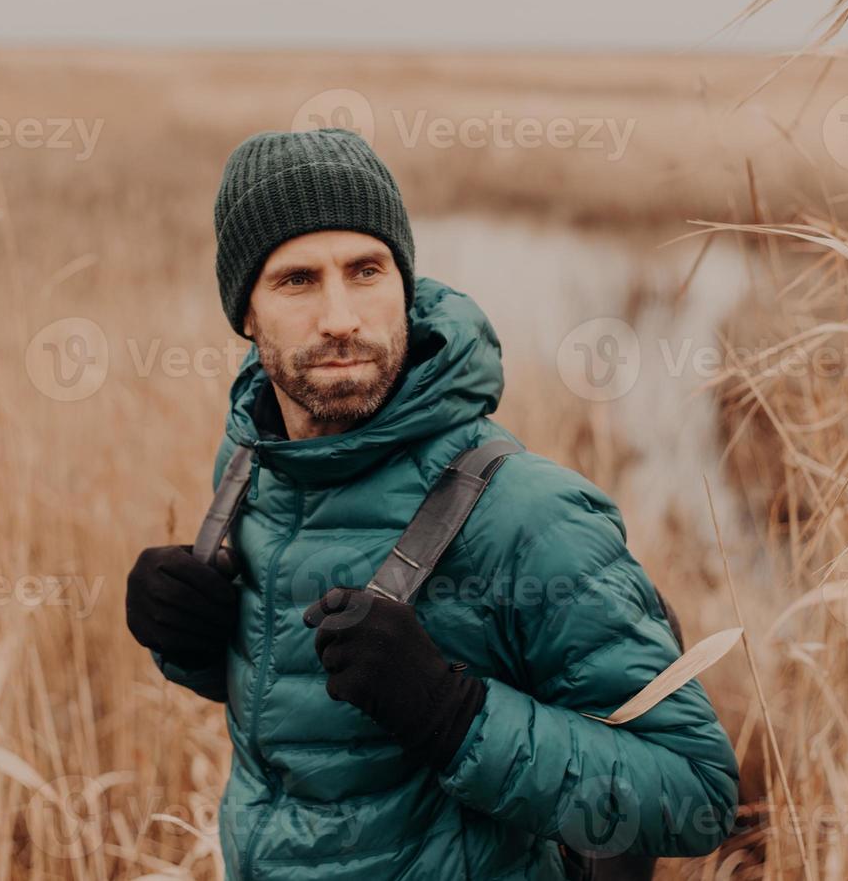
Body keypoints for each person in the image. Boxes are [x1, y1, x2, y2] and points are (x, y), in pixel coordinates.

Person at [125, 127, 739, 880]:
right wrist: (197, 646)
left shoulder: (528, 514)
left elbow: (694, 796)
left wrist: (453, 716)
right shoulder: (253, 463)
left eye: (366, 270)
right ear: (245, 315)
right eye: (297, 280)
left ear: (405, 286)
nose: (341, 316)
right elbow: (311, 718)